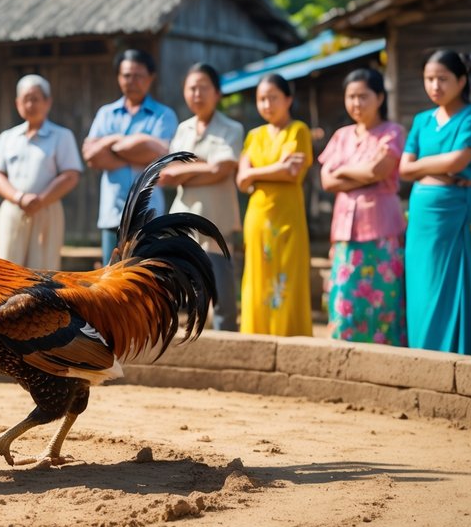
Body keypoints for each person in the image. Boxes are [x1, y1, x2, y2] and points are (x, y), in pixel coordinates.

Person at [401, 50, 471, 356]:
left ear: (461, 81)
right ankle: (423, 354)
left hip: (454, 212)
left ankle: (455, 355)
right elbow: (403, 169)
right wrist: (442, 170)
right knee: (421, 282)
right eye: (429, 79)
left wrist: (421, 167)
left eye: (442, 78)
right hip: (421, 215)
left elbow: (458, 160)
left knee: (451, 282)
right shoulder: (422, 120)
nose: (435, 85)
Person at [317, 69, 407, 346]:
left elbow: (378, 171)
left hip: (382, 228)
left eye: (363, 96)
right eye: (351, 96)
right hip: (345, 229)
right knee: (344, 298)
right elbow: (327, 181)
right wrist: (363, 174)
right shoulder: (341, 135)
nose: (356, 103)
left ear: (379, 97)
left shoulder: (392, 132)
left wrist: (343, 171)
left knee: (382, 299)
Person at [158, 63, 244, 331]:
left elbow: (223, 170)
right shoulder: (183, 129)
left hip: (216, 222)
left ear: (217, 93)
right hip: (183, 220)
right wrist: (205, 165)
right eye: (192, 88)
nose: (197, 94)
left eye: (203, 87)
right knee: (184, 295)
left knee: (222, 296)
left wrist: (186, 170)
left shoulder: (232, 128)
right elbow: (167, 176)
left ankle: (228, 346)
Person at [84, 49, 178, 264]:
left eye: (138, 76)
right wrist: (138, 145)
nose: (132, 81)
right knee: (110, 278)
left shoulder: (164, 115)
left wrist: (110, 147)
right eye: (127, 75)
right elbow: (92, 157)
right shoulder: (106, 114)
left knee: (147, 277)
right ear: (118, 77)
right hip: (112, 214)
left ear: (151, 78)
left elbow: (161, 157)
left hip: (149, 215)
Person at [237, 73, 313, 337]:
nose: (267, 104)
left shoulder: (298, 130)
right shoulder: (253, 135)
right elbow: (241, 180)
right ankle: (256, 337)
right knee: (257, 276)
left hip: (288, 216)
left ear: (288, 99)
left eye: (273, 98)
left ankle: (290, 338)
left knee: (288, 276)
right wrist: (275, 168)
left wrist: (255, 173)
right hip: (258, 217)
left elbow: (291, 173)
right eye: (262, 99)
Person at [0, 74, 82, 270]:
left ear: (48, 102)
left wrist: (40, 200)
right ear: (17, 103)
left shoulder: (62, 136)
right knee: (7, 268)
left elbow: (70, 175)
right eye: (25, 99)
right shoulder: (8, 137)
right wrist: (19, 198)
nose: (30, 104)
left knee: (43, 270)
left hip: (47, 208)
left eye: (35, 99)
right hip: (14, 208)